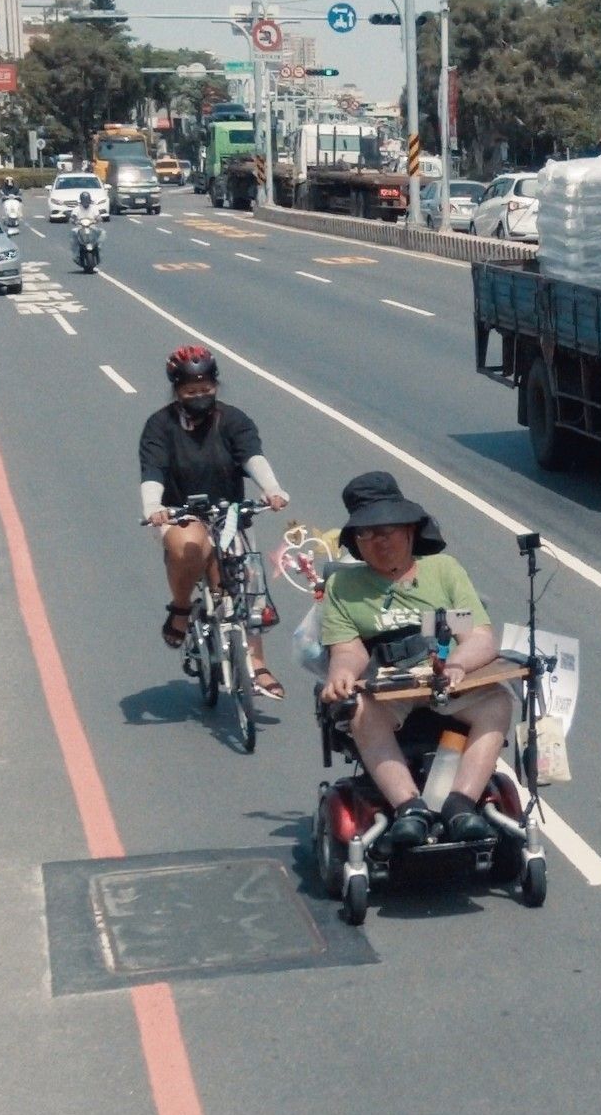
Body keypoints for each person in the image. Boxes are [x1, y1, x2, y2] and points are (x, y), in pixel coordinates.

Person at [318, 472, 511, 847]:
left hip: (444, 681)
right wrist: (340, 675)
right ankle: (410, 807)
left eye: (386, 530)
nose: (379, 542)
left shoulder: (444, 572)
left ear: (409, 530)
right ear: (356, 542)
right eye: (367, 534)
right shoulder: (344, 587)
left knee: (499, 700)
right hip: (389, 690)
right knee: (359, 711)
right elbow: (349, 649)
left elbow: (477, 637)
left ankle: (461, 803)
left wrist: (456, 664)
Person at [140, 345, 289, 700]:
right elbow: (153, 471)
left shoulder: (234, 420)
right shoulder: (159, 426)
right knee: (188, 546)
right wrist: (153, 507)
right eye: (191, 392)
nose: (199, 397)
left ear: (216, 386)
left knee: (249, 580)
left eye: (206, 390)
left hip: (229, 513)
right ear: (177, 391)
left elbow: (252, 456)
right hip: (182, 514)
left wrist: (272, 488)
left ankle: (258, 662)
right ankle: (180, 608)